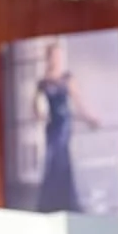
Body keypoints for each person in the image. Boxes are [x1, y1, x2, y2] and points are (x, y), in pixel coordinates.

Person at [33, 41, 98, 213]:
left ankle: (66, 202)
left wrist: (89, 118)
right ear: (48, 58)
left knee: (61, 158)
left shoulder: (67, 78)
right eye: (54, 56)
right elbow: (35, 105)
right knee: (51, 161)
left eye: (59, 56)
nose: (57, 59)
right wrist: (40, 115)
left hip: (64, 125)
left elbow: (78, 102)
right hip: (52, 125)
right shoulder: (43, 82)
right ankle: (50, 203)